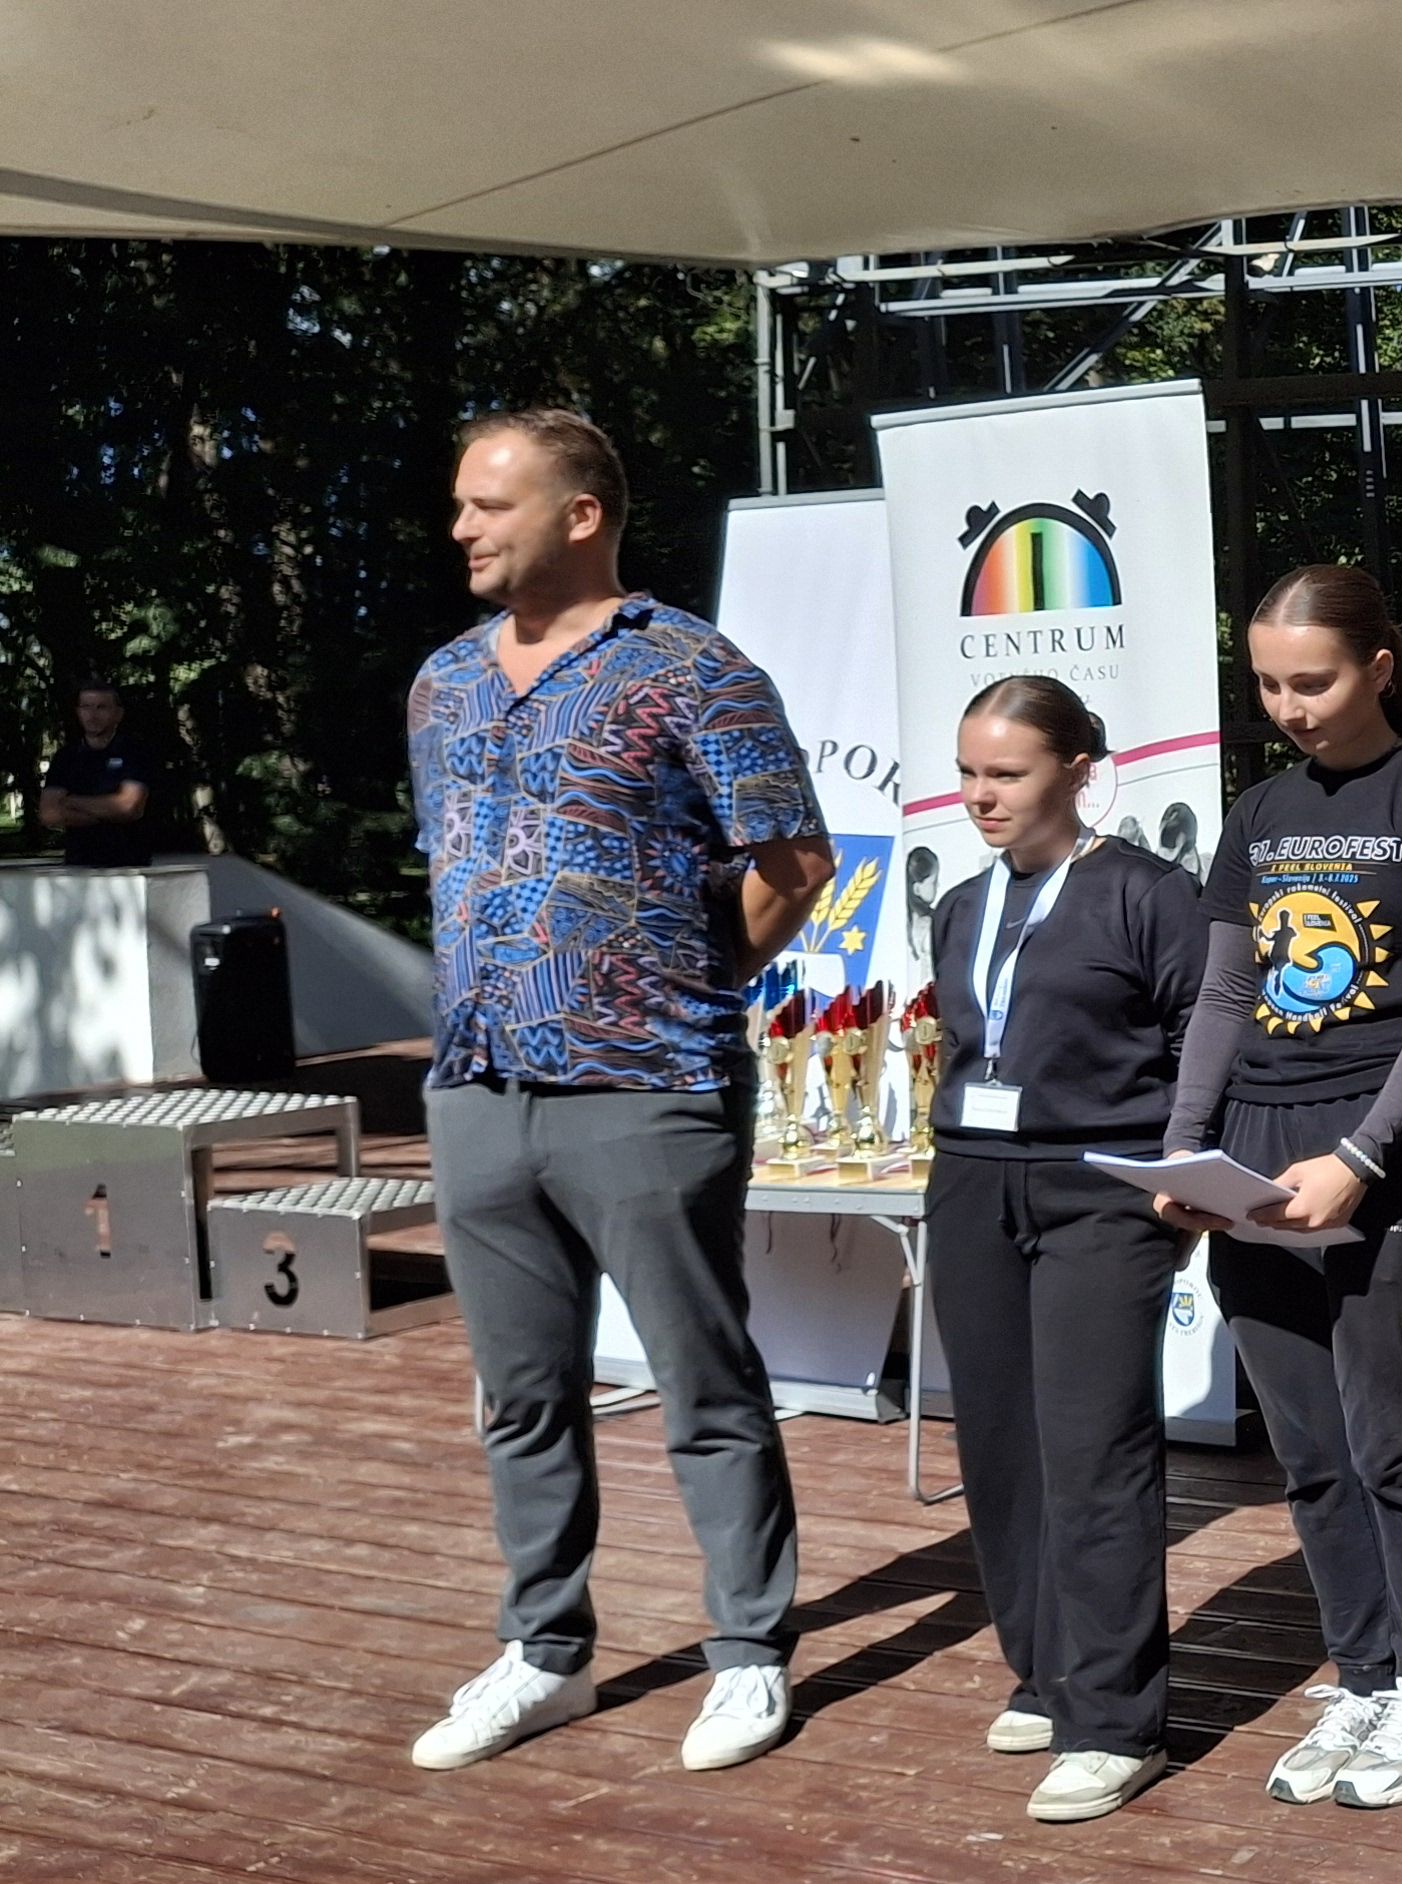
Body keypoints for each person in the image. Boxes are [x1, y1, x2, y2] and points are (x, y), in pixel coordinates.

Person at [403, 407, 837, 1774]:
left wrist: (688, 986)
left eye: (489, 505)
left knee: (704, 1382)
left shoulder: (691, 668)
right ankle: (546, 1652)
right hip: (478, 1088)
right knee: (521, 1395)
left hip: (647, 1085)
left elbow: (795, 860)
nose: (462, 528)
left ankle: (750, 1653)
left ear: (580, 514)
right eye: (462, 505)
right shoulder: (441, 682)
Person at [1156, 565, 1402, 1813]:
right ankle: (1365, 1676)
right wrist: (1186, 1149)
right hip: (1256, 1157)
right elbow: (1222, 992)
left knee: (1392, 1444)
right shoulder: (1259, 812)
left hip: (1391, 1160)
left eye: (1311, 681)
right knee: (1308, 1451)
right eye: (1267, 685)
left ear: (1379, 668)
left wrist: (1361, 1157)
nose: (1288, 708)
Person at [923, 675, 1206, 1823]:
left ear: (1078, 771)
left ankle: (1116, 1723)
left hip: (1102, 1192)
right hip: (972, 1184)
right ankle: (1045, 1674)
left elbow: (1202, 1038)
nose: (980, 796)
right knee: (999, 1446)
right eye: (968, 772)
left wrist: (1184, 1171)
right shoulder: (961, 905)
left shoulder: (1146, 892)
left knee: (1097, 1449)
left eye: (1007, 773)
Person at [38, 681, 166, 867]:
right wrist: (108, 812)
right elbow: (49, 814)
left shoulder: (135, 753)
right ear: (78, 712)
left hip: (130, 865)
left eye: (101, 707)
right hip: (78, 864)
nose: (92, 715)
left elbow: (129, 807)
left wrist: (71, 801)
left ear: (118, 714)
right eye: (86, 707)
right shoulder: (66, 757)